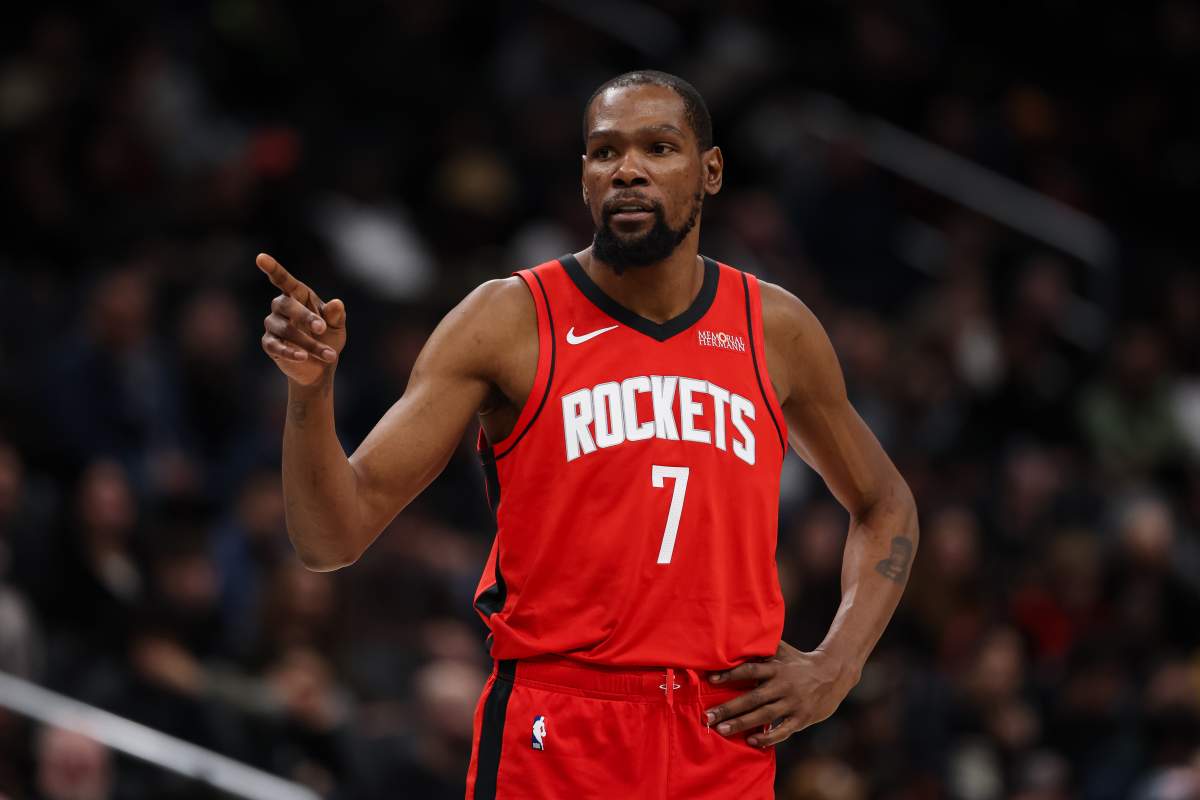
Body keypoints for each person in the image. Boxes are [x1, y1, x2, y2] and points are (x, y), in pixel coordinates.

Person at [257, 70, 918, 799]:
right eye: (606, 152)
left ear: (711, 171)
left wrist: (837, 665)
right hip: (558, 727)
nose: (627, 169)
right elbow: (330, 538)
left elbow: (886, 504)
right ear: (583, 178)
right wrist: (310, 391)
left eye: (658, 147)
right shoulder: (506, 319)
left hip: (720, 733)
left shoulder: (776, 329)